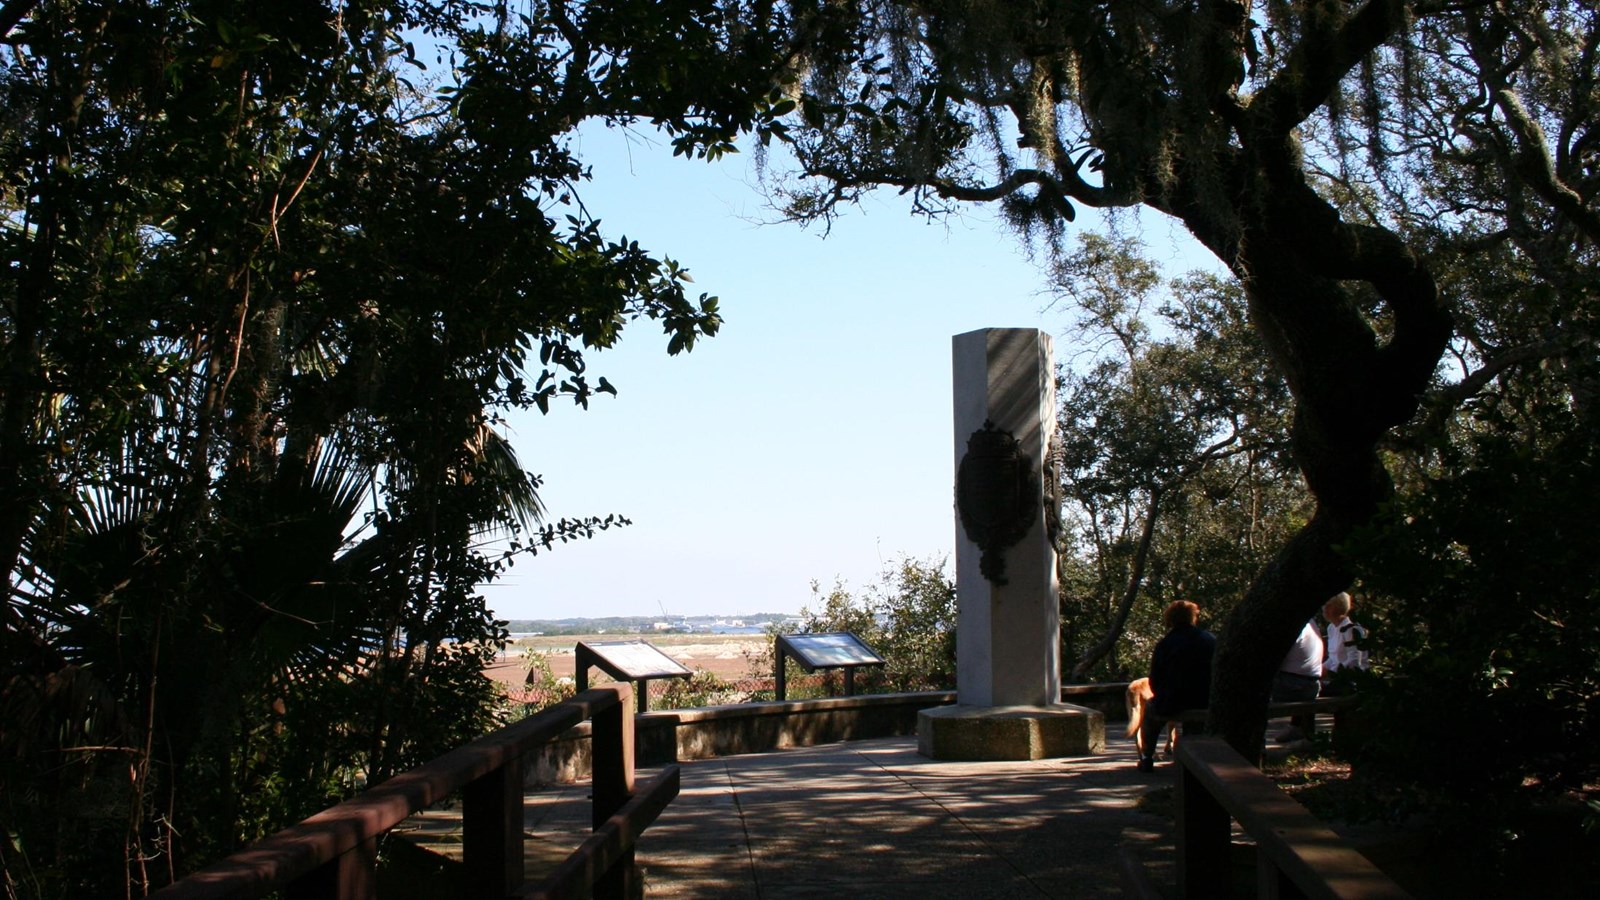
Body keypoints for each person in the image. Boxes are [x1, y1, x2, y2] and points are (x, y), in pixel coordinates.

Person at [1138, 600, 1216, 772]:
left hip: (1173, 701)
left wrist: (1165, 694)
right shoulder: (1209, 640)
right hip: (1206, 699)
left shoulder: (1165, 644)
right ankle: (1196, 761)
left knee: (1150, 714)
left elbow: (1155, 679)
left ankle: (1147, 757)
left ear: (1170, 619)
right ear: (1193, 617)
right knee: (1196, 725)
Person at [1272, 618, 1325, 741]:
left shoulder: (1292, 625)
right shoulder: (1311, 623)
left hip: (1294, 686)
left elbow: (1274, 659)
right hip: (1312, 685)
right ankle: (1298, 730)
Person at [1321, 591, 1369, 696]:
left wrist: (1329, 673)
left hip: (1351, 681)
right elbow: (1333, 658)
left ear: (1338, 607)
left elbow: (1354, 662)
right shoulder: (1331, 628)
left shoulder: (1351, 630)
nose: (1324, 609)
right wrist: (1319, 669)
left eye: (1329, 606)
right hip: (1336, 678)